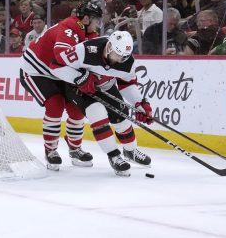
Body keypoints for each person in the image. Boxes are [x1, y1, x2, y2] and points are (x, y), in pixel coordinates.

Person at [51, 31, 153, 176]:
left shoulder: (127, 61)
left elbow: (127, 82)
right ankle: (114, 155)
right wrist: (79, 77)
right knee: (97, 112)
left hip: (105, 85)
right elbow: (55, 65)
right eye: (118, 54)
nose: (120, 59)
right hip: (78, 88)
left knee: (121, 117)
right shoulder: (85, 50)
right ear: (109, 46)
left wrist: (139, 104)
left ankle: (130, 151)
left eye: (124, 56)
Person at [20, 2, 102, 170]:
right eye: (96, 20)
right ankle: (50, 150)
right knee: (55, 105)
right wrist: (81, 79)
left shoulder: (88, 32)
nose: (98, 24)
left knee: (77, 108)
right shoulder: (69, 29)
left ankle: (75, 148)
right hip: (36, 70)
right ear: (86, 19)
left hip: (58, 70)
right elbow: (60, 57)